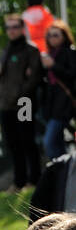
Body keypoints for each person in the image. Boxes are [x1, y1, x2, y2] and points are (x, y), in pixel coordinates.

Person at [0, 13, 44, 191]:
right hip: (6, 103)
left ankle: (34, 179)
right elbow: (1, 76)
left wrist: (20, 94)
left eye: (15, 27)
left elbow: (35, 78)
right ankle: (19, 181)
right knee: (13, 143)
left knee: (27, 140)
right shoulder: (6, 50)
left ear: (22, 29)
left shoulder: (30, 50)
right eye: (9, 27)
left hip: (24, 102)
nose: (12, 31)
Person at [40, 20, 76, 162]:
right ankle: (64, 175)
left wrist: (53, 66)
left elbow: (72, 74)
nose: (52, 38)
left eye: (56, 35)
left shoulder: (70, 52)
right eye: (49, 36)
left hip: (65, 103)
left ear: (64, 36)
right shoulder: (50, 54)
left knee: (49, 142)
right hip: (51, 104)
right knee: (58, 141)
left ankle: (60, 171)